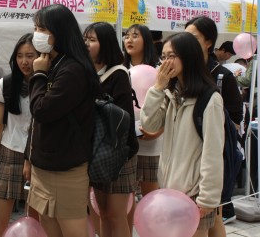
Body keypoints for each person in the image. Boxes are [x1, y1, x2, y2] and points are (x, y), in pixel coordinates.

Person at [140, 32, 225, 237]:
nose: (166, 62)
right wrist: (157, 88)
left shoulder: (209, 98)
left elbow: (213, 152)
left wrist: (207, 198)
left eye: (172, 56)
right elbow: (149, 124)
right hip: (169, 190)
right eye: (163, 56)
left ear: (188, 57)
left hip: (194, 194)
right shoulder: (172, 93)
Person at [25, 4, 99, 237]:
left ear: (60, 32)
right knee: (50, 228)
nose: (37, 34)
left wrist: (38, 75)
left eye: (42, 28)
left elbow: (42, 110)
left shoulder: (72, 69)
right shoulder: (54, 63)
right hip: (45, 164)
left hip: (66, 166)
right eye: (36, 27)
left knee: (73, 230)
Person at [185, 16, 244, 233]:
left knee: (214, 212)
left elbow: (236, 118)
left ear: (208, 42)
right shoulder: (182, 73)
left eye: (193, 37)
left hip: (214, 152)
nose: (187, 42)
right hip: (187, 154)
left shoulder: (222, 76)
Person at [84, 22, 138, 237]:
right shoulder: (88, 72)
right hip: (96, 153)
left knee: (116, 215)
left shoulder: (118, 74)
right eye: (85, 39)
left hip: (117, 152)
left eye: (92, 40)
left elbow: (124, 117)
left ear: (105, 44)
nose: (86, 44)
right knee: (103, 212)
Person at [0, 33, 39, 237]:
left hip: (39, 157)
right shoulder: (6, 84)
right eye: (19, 56)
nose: (24, 61)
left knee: (35, 221)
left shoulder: (48, 84)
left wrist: (30, 159)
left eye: (30, 55)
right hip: (8, 153)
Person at [123, 24, 162, 211]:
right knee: (126, 196)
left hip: (151, 140)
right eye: (127, 36)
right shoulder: (120, 69)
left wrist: (158, 131)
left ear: (146, 40)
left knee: (152, 196)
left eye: (135, 36)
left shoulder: (159, 70)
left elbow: (168, 105)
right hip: (126, 141)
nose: (129, 40)